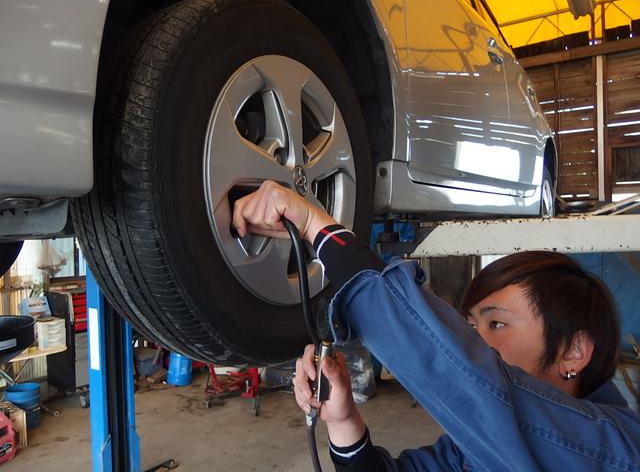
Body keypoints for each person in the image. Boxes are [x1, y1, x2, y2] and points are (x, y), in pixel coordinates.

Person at [233, 180, 640, 471]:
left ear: (573, 351)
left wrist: (315, 227)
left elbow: (466, 376)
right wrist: (342, 420)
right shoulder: (467, 454)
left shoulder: (617, 447)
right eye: (470, 324)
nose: (474, 341)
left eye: (496, 323)